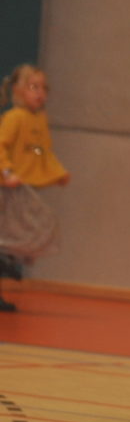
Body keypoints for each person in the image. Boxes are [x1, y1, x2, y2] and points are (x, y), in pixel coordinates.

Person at [0, 64, 68, 312]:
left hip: (21, 189)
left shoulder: (39, 119)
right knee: (8, 236)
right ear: (18, 91)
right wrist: (7, 173)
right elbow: (1, 147)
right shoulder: (14, 118)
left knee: (27, 231)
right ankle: (6, 264)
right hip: (6, 188)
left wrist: (58, 173)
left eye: (43, 88)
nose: (40, 93)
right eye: (33, 87)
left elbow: (41, 151)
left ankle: (8, 264)